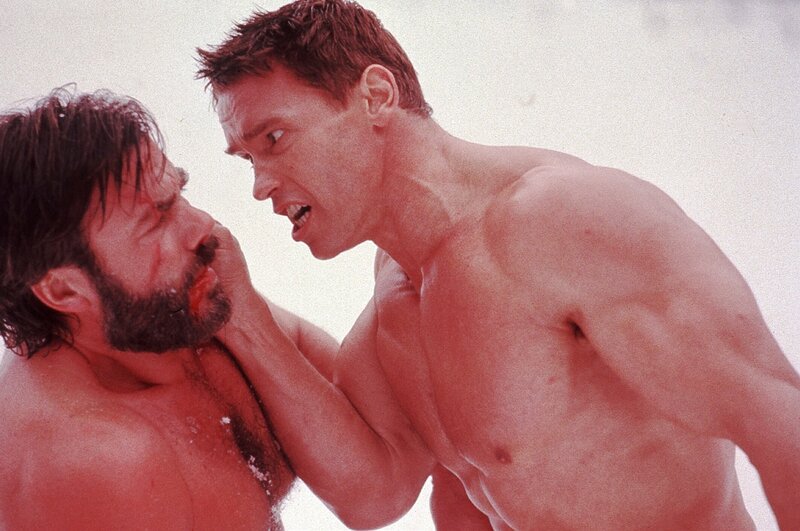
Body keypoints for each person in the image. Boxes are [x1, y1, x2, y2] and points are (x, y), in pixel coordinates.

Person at [196, 1, 800, 529]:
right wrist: (239, 312)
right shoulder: (400, 292)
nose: (260, 186)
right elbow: (375, 491)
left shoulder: (561, 220)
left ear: (376, 96)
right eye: (247, 159)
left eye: (274, 139)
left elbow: (778, 418)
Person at [0, 87, 339, 530]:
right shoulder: (96, 461)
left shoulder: (176, 312)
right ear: (63, 291)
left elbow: (374, 489)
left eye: (179, 193)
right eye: (157, 219)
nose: (204, 226)